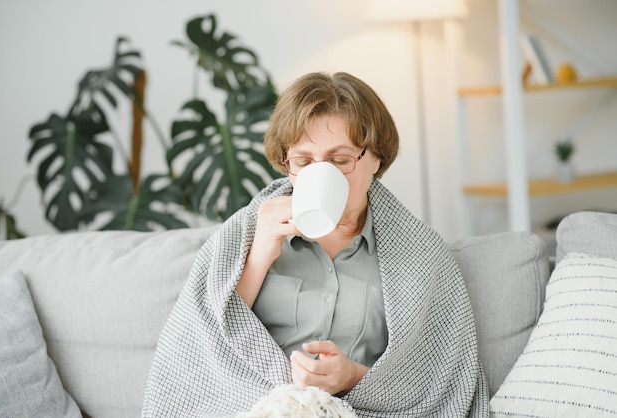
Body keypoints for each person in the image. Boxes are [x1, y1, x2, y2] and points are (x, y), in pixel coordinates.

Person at [142, 72, 490, 417]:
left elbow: (435, 379)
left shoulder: (419, 254)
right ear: (286, 163)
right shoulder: (250, 232)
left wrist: (353, 377)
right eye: (304, 162)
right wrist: (260, 253)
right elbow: (200, 342)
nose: (323, 175)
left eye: (340, 160)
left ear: (376, 160)